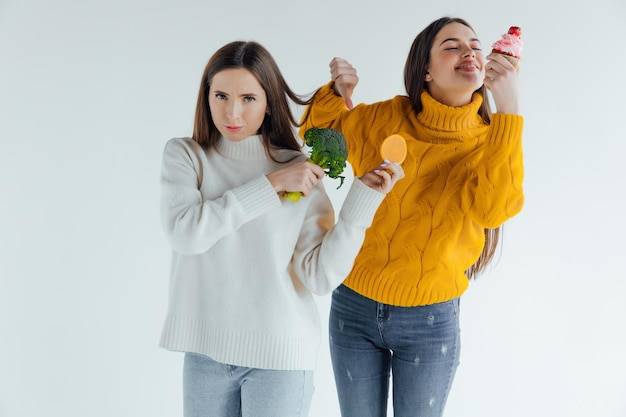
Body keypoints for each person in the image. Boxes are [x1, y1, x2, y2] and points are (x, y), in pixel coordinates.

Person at [158, 40, 404, 417]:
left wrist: (359, 205)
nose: (232, 111)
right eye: (221, 95)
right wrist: (272, 185)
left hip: (280, 357)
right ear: (206, 96)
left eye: (248, 98)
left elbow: (319, 277)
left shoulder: (299, 169)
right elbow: (186, 234)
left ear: (269, 101)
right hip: (204, 355)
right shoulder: (186, 155)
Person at [300, 17, 525, 417]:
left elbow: (495, 211)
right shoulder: (384, 118)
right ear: (425, 69)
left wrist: (509, 110)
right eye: (452, 46)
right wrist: (337, 92)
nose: (469, 51)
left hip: (431, 319)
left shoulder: (491, 139)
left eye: (474, 45)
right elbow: (320, 141)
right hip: (353, 306)